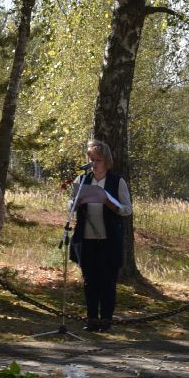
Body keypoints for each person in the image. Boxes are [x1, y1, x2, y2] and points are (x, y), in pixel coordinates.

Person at [69, 140, 131, 331]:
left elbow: (127, 209)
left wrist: (111, 204)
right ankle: (92, 318)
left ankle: (106, 320)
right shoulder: (82, 181)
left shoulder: (117, 181)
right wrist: (76, 202)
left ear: (106, 161)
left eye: (98, 160)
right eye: (92, 160)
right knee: (90, 280)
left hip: (109, 239)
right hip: (86, 238)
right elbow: (70, 204)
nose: (94, 164)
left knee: (107, 281)